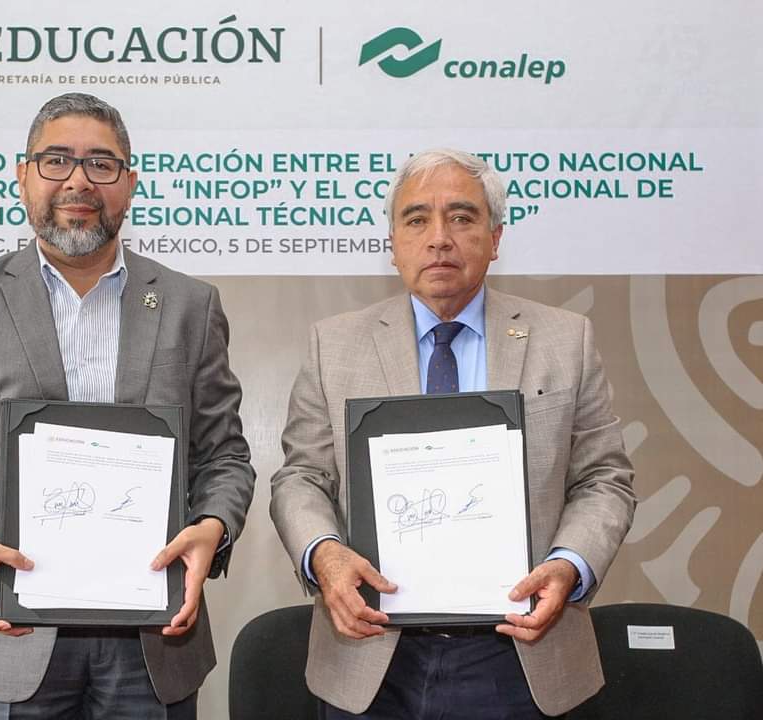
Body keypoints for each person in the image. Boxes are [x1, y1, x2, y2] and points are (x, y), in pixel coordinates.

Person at [0, 92, 255, 720]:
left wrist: (213, 525)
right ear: (23, 176)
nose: (78, 180)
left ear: (130, 183)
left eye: (101, 163)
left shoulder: (190, 305)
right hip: (5, 635)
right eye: (56, 161)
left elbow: (225, 458)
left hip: (152, 638)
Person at [270, 148, 636, 718]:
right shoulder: (333, 345)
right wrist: (326, 555)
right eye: (416, 219)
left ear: (495, 238)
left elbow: (604, 479)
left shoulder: (566, 339)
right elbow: (301, 477)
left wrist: (569, 564)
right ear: (393, 243)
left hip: (520, 654)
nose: (439, 238)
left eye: (461, 217)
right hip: (372, 653)